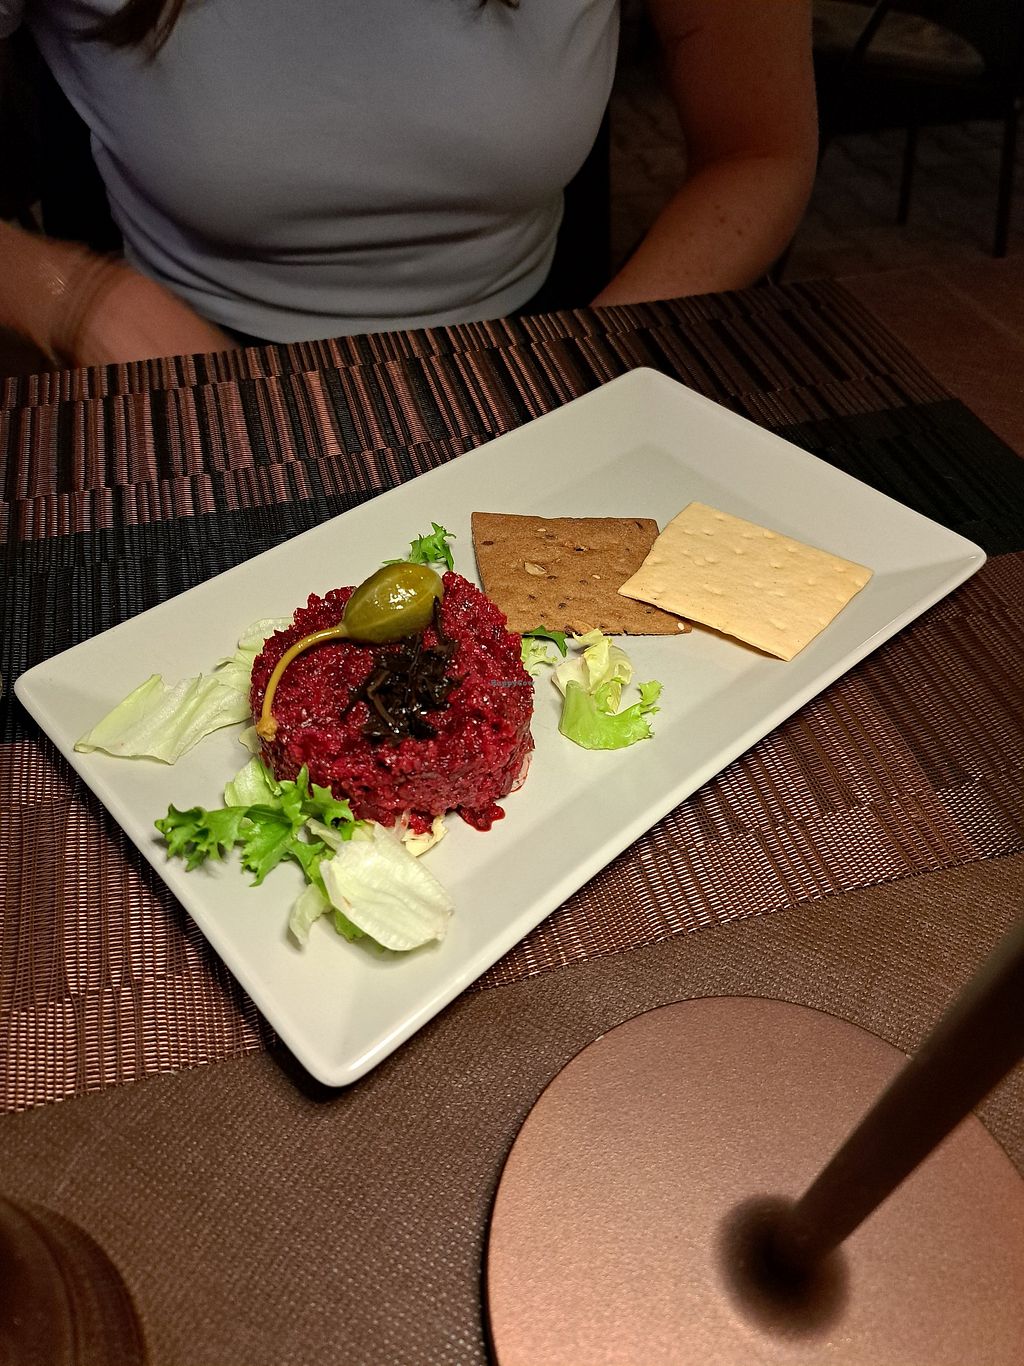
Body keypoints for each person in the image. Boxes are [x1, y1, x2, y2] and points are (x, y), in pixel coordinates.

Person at [0, 0, 817, 368]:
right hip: (190, 354)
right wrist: (77, 301)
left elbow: (759, 150)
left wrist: (590, 366)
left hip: (549, 337)